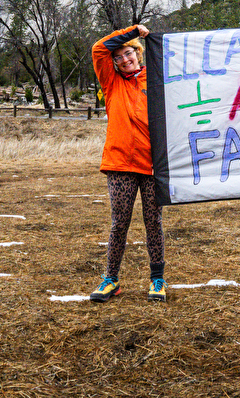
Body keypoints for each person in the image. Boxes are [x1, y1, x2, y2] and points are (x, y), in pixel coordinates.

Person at [89, 23, 167, 303]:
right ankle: (111, 280)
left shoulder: (156, 80)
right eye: (118, 56)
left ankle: (157, 280)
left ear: (138, 54)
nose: (124, 59)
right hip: (120, 164)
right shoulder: (110, 82)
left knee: (153, 222)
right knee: (119, 223)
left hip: (151, 165)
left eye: (129, 53)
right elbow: (99, 48)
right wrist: (134, 31)